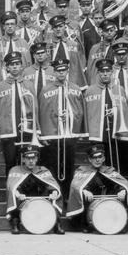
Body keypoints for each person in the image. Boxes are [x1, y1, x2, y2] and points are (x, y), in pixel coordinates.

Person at [35, 59, 86, 191]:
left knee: (69, 164)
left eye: (63, 70)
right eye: (58, 70)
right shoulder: (46, 89)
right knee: (52, 164)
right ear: (54, 72)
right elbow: (41, 111)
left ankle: (67, 194)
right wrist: (42, 134)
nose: (61, 73)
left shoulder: (75, 88)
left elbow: (80, 110)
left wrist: (70, 116)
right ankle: (54, 191)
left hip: (70, 134)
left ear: (67, 71)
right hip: (52, 134)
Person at [65, 145, 128, 233]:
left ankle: (119, 223)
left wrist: (122, 189)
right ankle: (85, 224)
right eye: (94, 158)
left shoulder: (109, 170)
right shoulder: (82, 170)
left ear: (104, 158)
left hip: (109, 200)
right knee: (81, 195)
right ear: (89, 159)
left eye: (100, 157)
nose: (97, 160)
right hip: (91, 201)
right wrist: (84, 190)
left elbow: (122, 183)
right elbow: (75, 185)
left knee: (124, 193)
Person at [83, 59, 128, 174]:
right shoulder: (90, 90)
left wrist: (116, 112)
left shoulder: (120, 89)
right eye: (102, 71)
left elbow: (125, 110)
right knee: (98, 165)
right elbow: (86, 113)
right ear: (98, 73)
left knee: (116, 162)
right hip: (97, 133)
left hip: (116, 132)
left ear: (112, 72)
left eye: (108, 71)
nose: (105, 74)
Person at [6, 145, 64, 235]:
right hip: (23, 200)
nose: (31, 161)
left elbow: (52, 185)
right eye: (28, 158)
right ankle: (15, 223)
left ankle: (56, 223)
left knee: (55, 198)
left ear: (37, 159)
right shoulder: (16, 170)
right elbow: (12, 186)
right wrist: (18, 194)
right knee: (14, 197)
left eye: (33, 158)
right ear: (23, 159)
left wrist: (54, 192)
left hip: (42, 200)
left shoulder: (43, 170)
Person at [0, 52, 38, 169]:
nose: (14, 66)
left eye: (17, 64)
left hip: (27, 129)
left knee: (27, 163)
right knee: (10, 162)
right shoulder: (0, 86)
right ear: (7, 67)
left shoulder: (29, 84)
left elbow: (35, 107)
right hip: (7, 129)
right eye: (11, 64)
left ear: (21, 66)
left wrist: (37, 128)